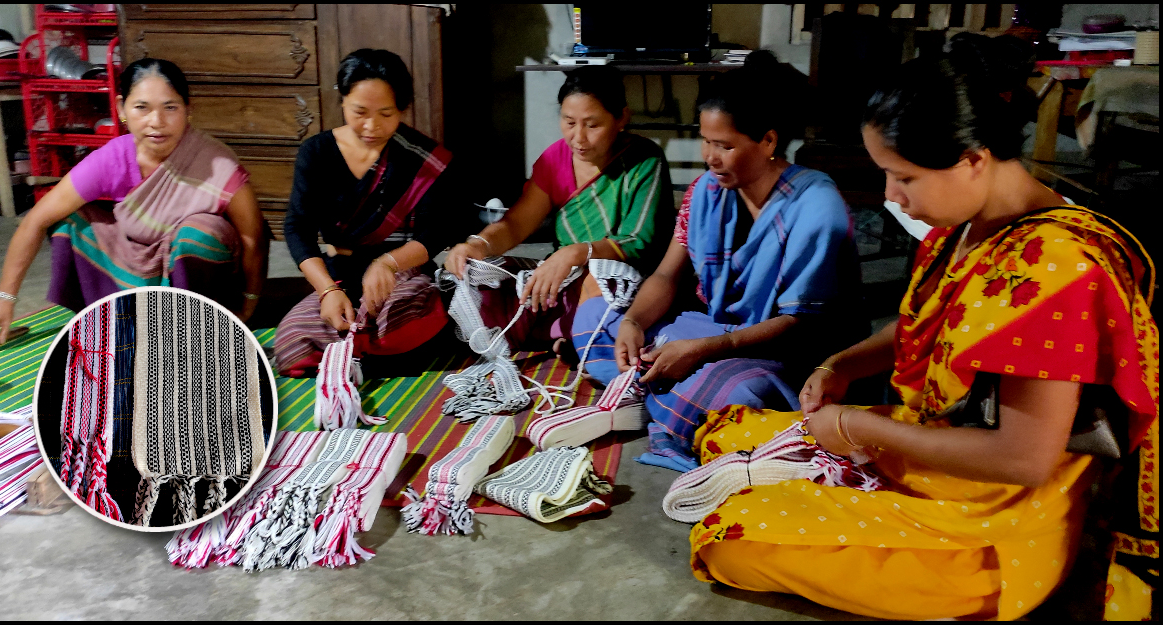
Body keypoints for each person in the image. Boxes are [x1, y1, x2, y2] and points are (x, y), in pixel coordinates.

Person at [688, 35, 1159, 621]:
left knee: (732, 538)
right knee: (722, 435)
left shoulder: (1058, 271)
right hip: (934, 444)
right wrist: (840, 366)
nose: (891, 198)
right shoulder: (960, 226)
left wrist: (861, 428)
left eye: (903, 177)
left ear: (972, 158)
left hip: (996, 513)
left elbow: (1023, 460)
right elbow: (922, 328)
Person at [571, 55, 867, 472]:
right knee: (597, 321)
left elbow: (801, 323)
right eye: (705, 141)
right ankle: (658, 392)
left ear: (767, 141)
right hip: (716, 331)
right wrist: (635, 322)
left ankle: (646, 395)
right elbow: (666, 275)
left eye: (724, 146)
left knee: (736, 394)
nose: (710, 157)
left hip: (790, 352)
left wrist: (704, 349)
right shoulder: (706, 191)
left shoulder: (817, 206)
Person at [0, 58, 265, 343]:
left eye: (170, 107)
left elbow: (253, 239)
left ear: (189, 110)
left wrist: (248, 304)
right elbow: (36, 221)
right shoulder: (113, 158)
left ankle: (193, 332)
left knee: (198, 234)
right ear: (123, 109)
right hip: (138, 260)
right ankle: (114, 318)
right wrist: (4, 300)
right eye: (141, 108)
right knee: (69, 221)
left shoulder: (215, 162)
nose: (156, 122)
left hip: (199, 274)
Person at [443, 65, 674, 354]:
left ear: (621, 118)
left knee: (601, 287)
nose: (579, 137)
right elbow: (516, 225)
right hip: (566, 275)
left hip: (622, 276)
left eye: (592, 125)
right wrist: (478, 244)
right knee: (484, 281)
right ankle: (571, 333)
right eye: (569, 122)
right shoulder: (555, 159)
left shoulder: (644, 160)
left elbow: (638, 242)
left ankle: (578, 335)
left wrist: (576, 253)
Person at [273, 49, 469, 377]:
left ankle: (348, 357)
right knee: (290, 342)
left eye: (386, 114)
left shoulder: (422, 160)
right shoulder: (316, 153)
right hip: (341, 274)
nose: (371, 126)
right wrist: (328, 291)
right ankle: (370, 357)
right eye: (359, 111)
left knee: (402, 314)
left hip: (404, 273)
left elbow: (434, 235)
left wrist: (387, 264)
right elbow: (298, 228)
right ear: (343, 100)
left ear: (402, 110)